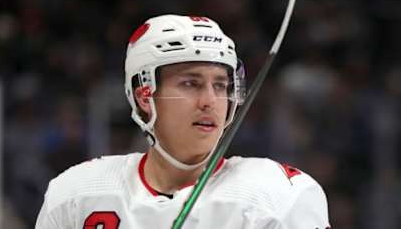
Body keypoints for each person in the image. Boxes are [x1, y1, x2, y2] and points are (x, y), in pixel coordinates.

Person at [35, 14, 331, 228]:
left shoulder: (278, 197)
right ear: (144, 95)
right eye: (191, 84)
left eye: (220, 85)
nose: (210, 101)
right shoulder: (76, 193)